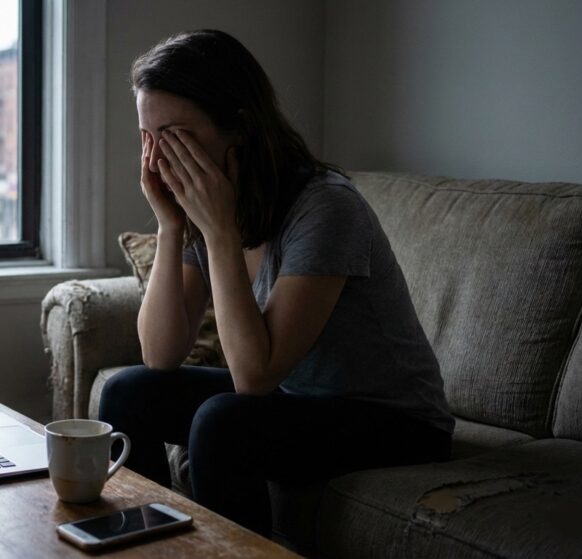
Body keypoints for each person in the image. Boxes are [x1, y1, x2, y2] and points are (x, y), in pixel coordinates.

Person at [98, 29, 454, 537]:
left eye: (176, 136)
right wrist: (171, 225)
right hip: (301, 399)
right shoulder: (207, 208)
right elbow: (160, 354)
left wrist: (219, 232)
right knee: (129, 391)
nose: (159, 158)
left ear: (238, 127)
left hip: (396, 421)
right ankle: (149, 548)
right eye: (148, 138)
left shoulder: (326, 207)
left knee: (224, 422)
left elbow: (254, 378)